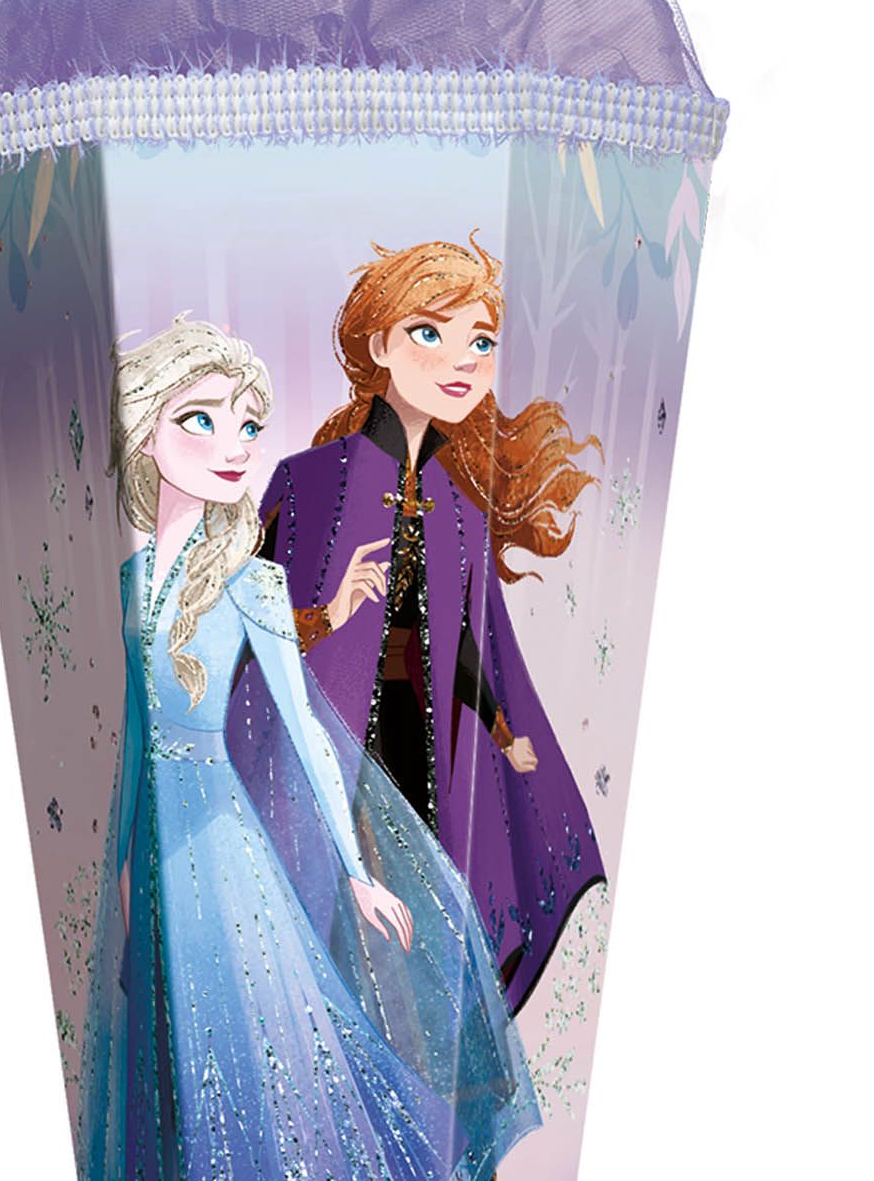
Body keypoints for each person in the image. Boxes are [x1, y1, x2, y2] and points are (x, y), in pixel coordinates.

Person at [80, 317, 538, 1181]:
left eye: (250, 425)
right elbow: (135, 740)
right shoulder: (129, 583)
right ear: (145, 430)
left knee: (250, 1045)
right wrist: (123, 870)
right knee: (168, 1055)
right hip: (154, 854)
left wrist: (358, 874)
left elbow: (306, 733)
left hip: (224, 849)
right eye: (203, 419)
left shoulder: (255, 585)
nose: (235, 446)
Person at [244, 237, 606, 1013]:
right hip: (329, 741)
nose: (461, 361)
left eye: (481, 342)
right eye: (429, 332)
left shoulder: (462, 511)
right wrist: (327, 615)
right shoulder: (308, 484)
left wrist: (503, 730)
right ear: (379, 345)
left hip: (424, 744)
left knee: (418, 921)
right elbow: (252, 623)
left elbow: (470, 644)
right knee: (336, 910)